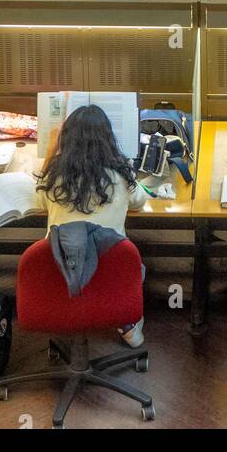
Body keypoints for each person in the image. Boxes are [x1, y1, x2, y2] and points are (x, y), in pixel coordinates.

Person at [32, 104, 148, 345]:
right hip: (110, 275)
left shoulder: (55, 177)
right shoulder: (119, 177)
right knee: (133, 263)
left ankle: (68, 313)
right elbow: (140, 201)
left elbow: (38, 198)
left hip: (63, 271)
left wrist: (52, 152)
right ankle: (125, 325)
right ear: (107, 139)